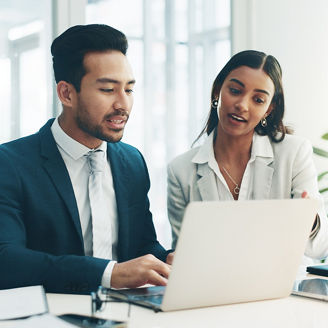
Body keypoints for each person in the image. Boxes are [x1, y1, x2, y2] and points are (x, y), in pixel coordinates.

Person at [0, 24, 173, 294]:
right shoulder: (9, 163)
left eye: (128, 90)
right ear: (66, 93)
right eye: (107, 90)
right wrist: (108, 274)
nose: (123, 104)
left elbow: (142, 245)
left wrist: (166, 260)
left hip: (128, 315)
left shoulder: (132, 161)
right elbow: (7, 261)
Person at [167, 50, 328, 261]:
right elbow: (183, 256)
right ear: (217, 91)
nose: (242, 105)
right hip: (214, 289)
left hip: (282, 288)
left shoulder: (294, 153)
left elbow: (320, 249)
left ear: (269, 109)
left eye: (258, 99)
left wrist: (310, 221)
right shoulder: (181, 170)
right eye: (234, 90)